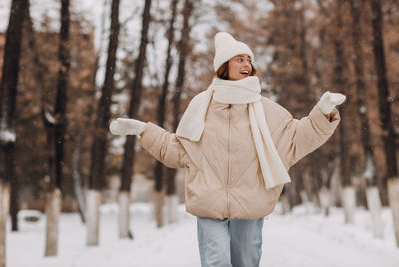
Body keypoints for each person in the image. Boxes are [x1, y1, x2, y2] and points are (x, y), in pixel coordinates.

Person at [109, 32, 346, 267]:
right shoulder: (201, 107)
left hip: (251, 203)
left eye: (248, 60)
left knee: (245, 262)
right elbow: (178, 150)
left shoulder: (267, 110)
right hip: (209, 203)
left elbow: (297, 138)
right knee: (217, 263)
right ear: (224, 65)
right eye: (239, 59)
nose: (247, 64)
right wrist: (143, 130)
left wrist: (323, 112)